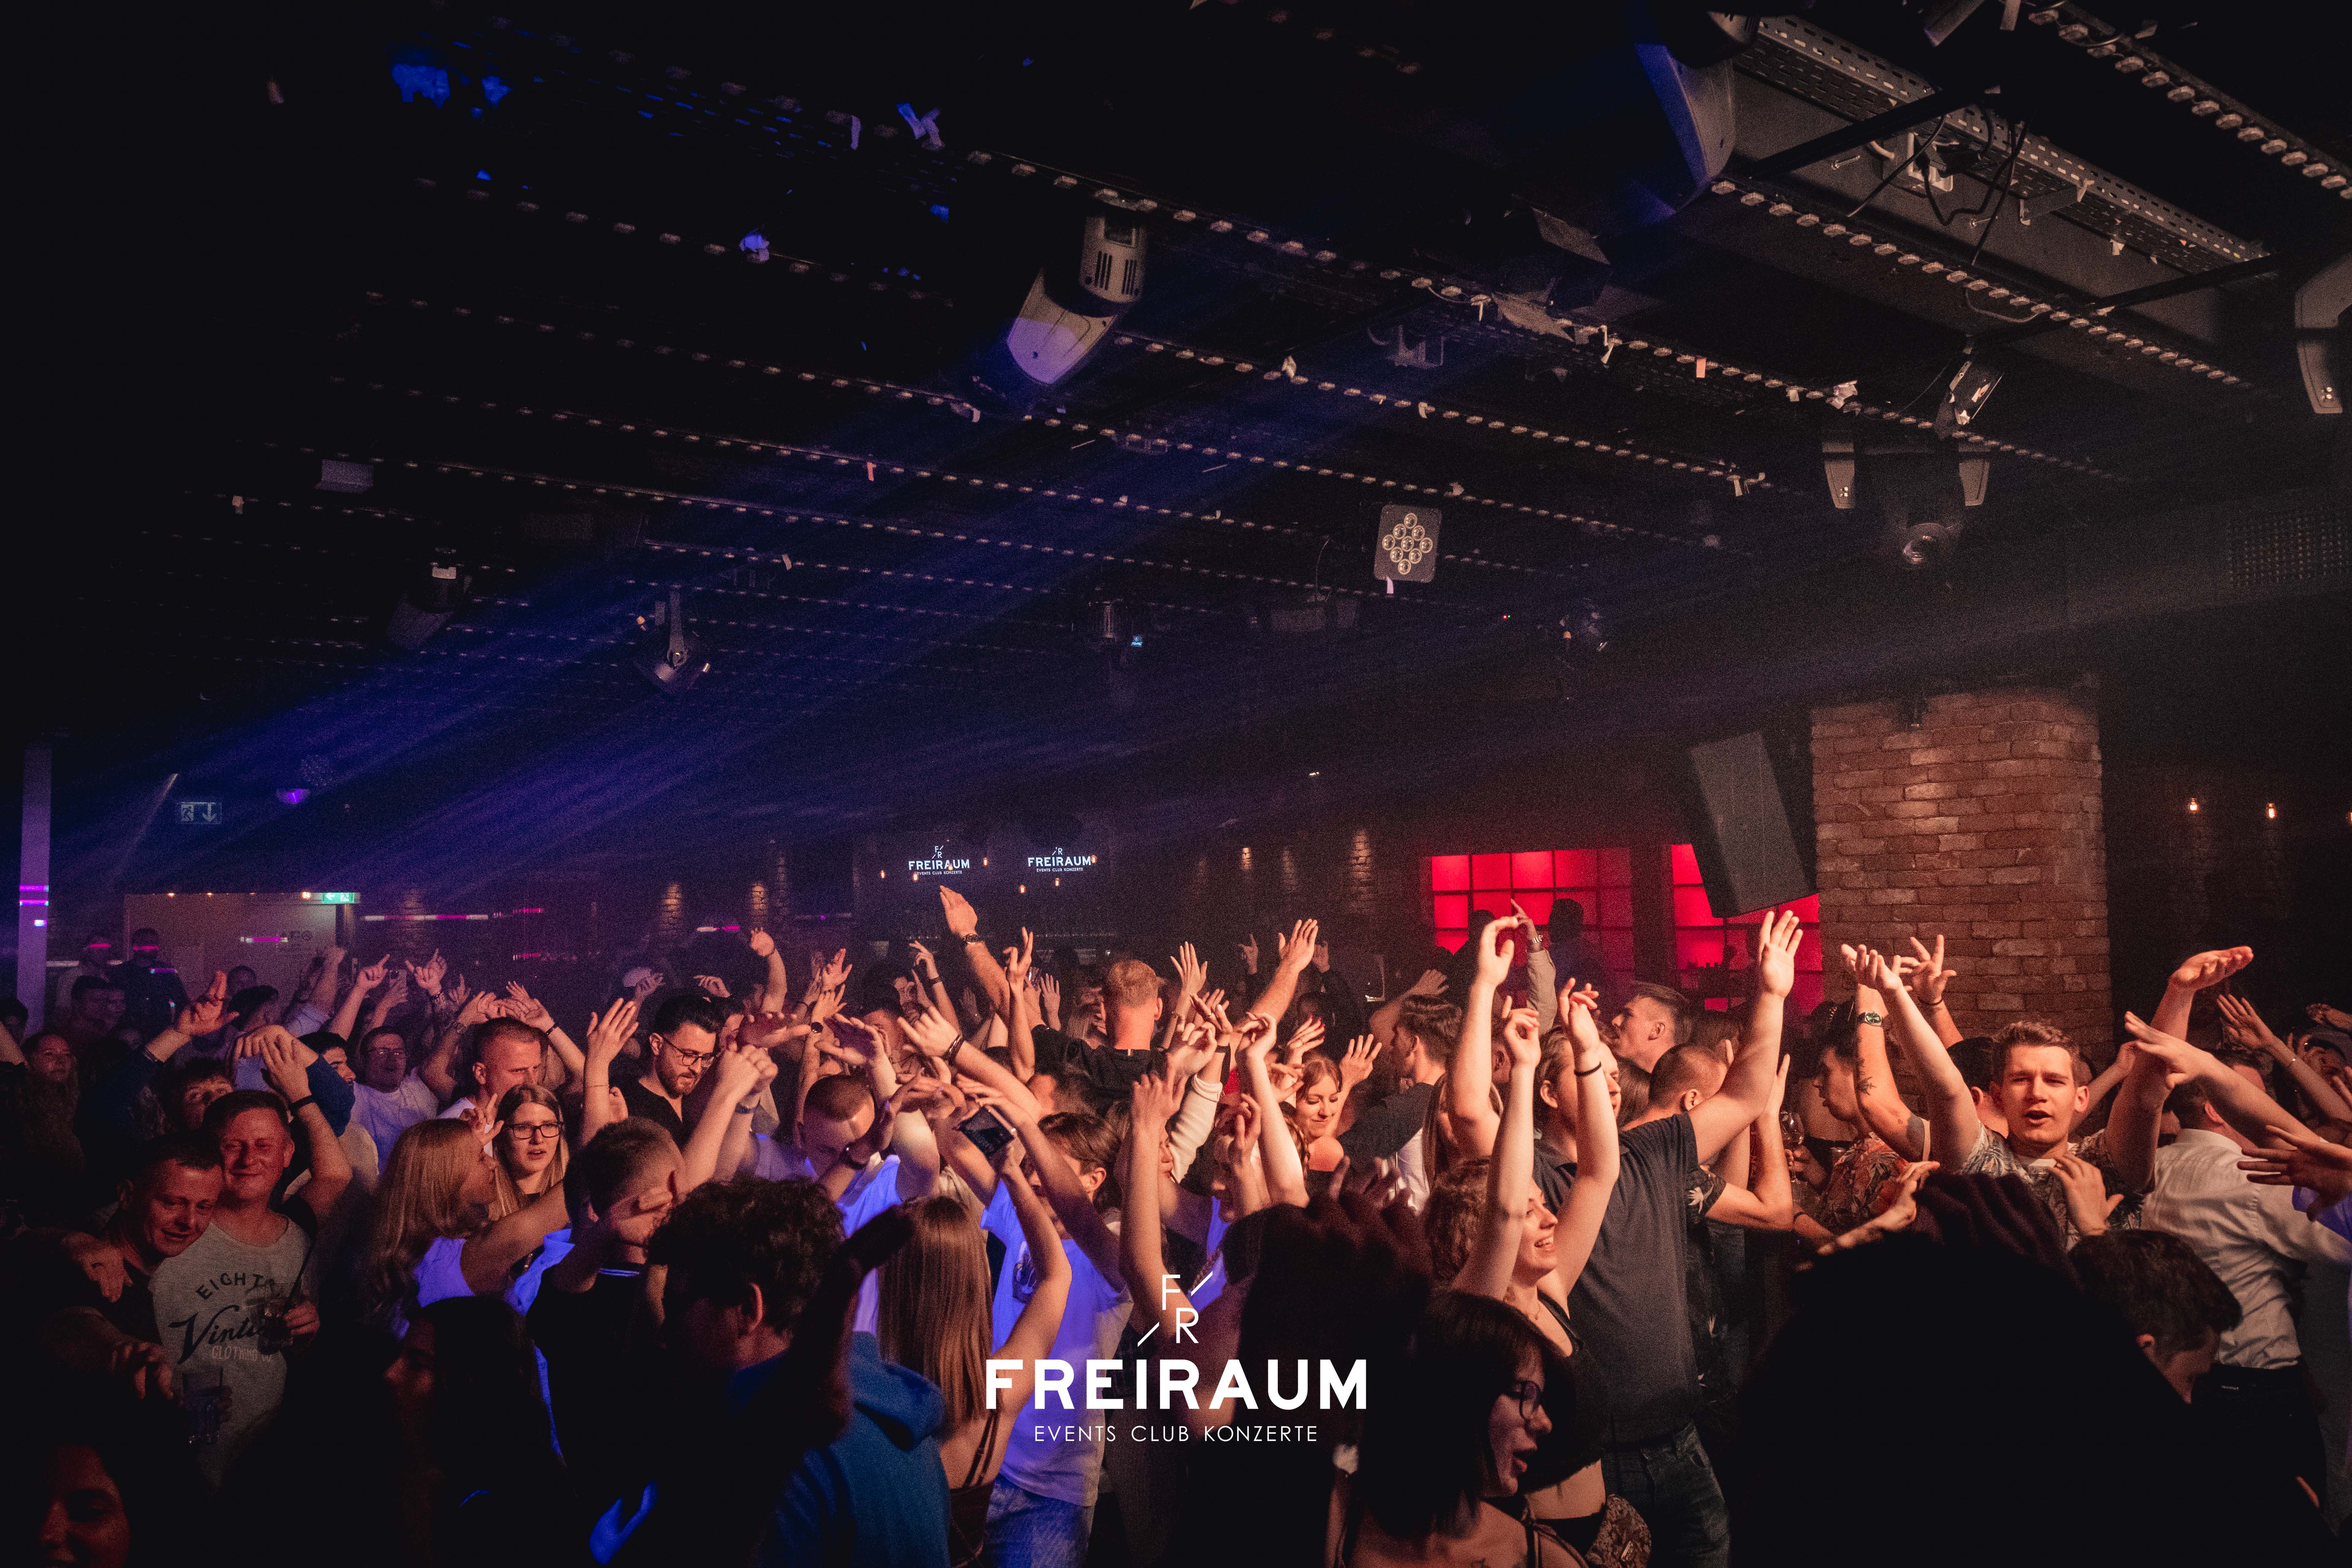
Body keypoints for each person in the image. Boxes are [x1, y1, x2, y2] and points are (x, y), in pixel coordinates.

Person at [1557, 910, 1800, 1568]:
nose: (1608, 1082)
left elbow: (1746, 1095)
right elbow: (1472, 1114)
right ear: (1553, 1094)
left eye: (1611, 1074)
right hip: (1601, 1452)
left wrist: (1771, 994)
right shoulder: (1543, 1180)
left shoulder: (1653, 1153)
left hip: (1681, 1436)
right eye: (1589, 1072)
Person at [653, 1178, 951, 1568]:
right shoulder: (901, 1422)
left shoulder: (769, 1463)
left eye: (676, 1306)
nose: (664, 1333)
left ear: (747, 1309)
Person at [149, 1032, 352, 1487]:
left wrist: (306, 1330)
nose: (248, 1160)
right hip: (168, 1456)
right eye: (232, 1146)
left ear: (286, 1155)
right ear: (209, 1149)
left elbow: (336, 1174)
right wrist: (73, 1244)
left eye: (263, 1146)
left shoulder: (295, 1233)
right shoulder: (173, 1225)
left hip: (263, 1462)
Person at [875, 1181, 1070, 1566]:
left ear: (894, 1285)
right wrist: (1015, 1179)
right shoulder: (1002, 1388)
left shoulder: (867, 1404)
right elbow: (1056, 1275)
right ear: (977, 1280)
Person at [1333, 1290, 1579, 1565]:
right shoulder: (1332, 1514)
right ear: (1456, 1394)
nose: (1545, 1424)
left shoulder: (1545, 1560)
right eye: (1525, 1395)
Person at [528, 1119, 682, 1529]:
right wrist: (610, 1236)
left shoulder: (693, 1283)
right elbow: (647, 1373)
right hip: (623, 1528)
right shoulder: (582, 1300)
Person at [384, 1294, 574, 1566]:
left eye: (418, 1363)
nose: (390, 1374)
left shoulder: (506, 1517)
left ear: (471, 1383)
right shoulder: (428, 1464)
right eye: (398, 1356)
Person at [359, 1118, 569, 1333]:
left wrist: (462, 1148)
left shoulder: (418, 1250)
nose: (493, 1164)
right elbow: (572, 1190)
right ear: (447, 1177)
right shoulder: (456, 1259)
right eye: (481, 1157)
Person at [617, 992, 724, 1143]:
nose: (697, 1069)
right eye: (689, 1055)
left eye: (706, 1058)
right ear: (657, 1045)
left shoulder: (698, 1102)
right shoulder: (625, 1105)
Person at [350, 1023, 438, 1165]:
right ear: (364, 1059)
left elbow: (439, 1060)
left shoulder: (418, 1087)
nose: (392, 1059)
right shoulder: (354, 1096)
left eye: (399, 1053)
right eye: (382, 1053)